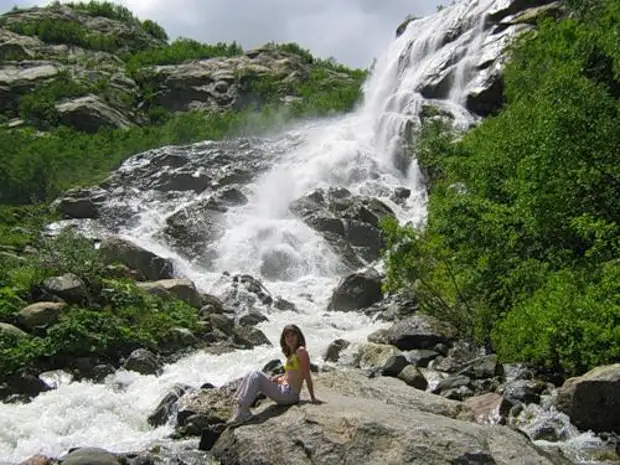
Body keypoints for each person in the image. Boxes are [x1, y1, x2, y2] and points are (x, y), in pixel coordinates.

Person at [227, 324, 320, 425]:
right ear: (284, 339)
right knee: (251, 373)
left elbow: (307, 375)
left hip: (290, 394)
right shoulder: (292, 354)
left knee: (256, 375)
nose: (290, 338)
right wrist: (278, 379)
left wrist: (312, 397)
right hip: (283, 390)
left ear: (298, 336)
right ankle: (239, 407)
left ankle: (243, 412)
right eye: (287, 336)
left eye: (293, 335)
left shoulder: (301, 351)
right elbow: (290, 375)